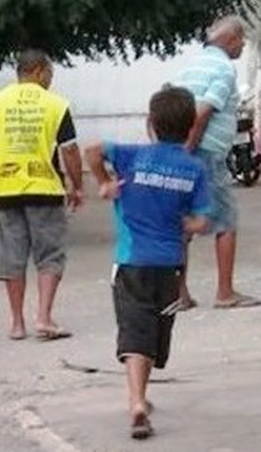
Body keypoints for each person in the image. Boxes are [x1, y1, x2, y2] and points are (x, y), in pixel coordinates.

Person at [85, 86, 211, 440]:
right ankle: (140, 397)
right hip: (170, 266)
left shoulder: (131, 156)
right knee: (154, 334)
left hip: (131, 262)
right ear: (190, 130)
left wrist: (105, 183)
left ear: (150, 124)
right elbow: (203, 222)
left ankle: (137, 401)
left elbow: (92, 150)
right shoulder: (194, 169)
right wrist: (187, 224)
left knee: (135, 331)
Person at [0, 50, 84, 341]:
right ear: (39, 71)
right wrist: (77, 187)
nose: (51, 81)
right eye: (50, 74)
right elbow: (69, 150)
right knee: (50, 255)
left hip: (7, 192)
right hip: (45, 191)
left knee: (12, 258)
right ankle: (43, 317)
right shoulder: (56, 105)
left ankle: (17, 324)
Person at [175, 17, 259, 309]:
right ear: (231, 39)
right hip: (207, 153)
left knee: (184, 222)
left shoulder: (193, 65)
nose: (244, 46)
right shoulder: (223, 68)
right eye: (243, 40)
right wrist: (189, 148)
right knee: (227, 220)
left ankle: (179, 293)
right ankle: (225, 292)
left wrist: (178, 151)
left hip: (187, 151)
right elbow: (202, 113)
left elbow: (172, 104)